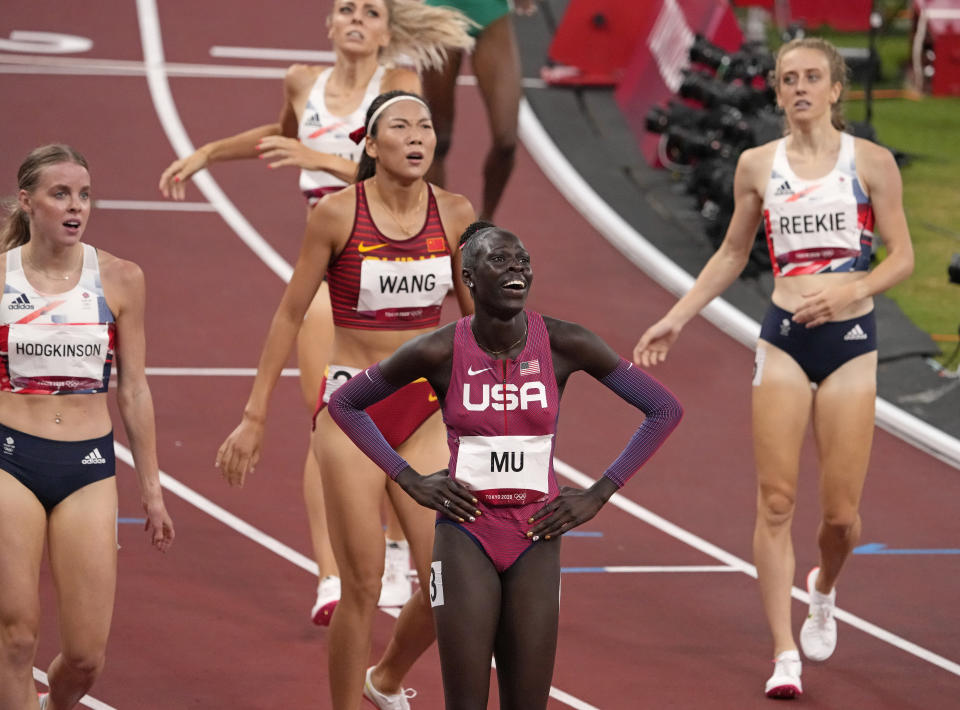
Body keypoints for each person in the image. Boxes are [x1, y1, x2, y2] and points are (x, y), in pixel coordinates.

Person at [158, 0, 474, 622]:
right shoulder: (303, 81)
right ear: (328, 25)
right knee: (327, 413)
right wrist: (210, 152)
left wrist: (326, 162)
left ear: (388, 32)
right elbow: (281, 137)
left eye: (372, 12)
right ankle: (331, 575)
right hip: (332, 260)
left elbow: (397, 165)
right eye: (346, 9)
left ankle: (394, 540)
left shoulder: (398, 86)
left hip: (396, 253)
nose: (357, 19)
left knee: (408, 402)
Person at [633, 37, 914, 699]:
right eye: (789, 79)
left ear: (835, 89)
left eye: (813, 77)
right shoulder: (758, 165)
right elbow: (733, 253)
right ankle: (784, 651)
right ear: (779, 90)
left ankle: (823, 587)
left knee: (841, 517)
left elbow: (901, 256)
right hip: (784, 338)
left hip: (850, 340)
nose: (799, 88)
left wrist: (853, 288)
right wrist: (679, 314)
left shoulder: (869, 162)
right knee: (778, 500)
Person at [328, 222, 683, 709]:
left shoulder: (565, 342)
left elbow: (664, 409)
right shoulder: (440, 349)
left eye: (524, 260)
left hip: (537, 535)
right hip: (465, 536)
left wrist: (600, 492)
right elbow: (345, 403)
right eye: (500, 260)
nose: (517, 267)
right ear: (468, 277)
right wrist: (407, 478)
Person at [217, 91, 476, 709]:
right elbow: (287, 315)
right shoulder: (336, 216)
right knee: (360, 585)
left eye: (426, 127)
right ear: (370, 143)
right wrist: (254, 415)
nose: (417, 136)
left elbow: (477, 322)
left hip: (427, 411)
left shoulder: (458, 213)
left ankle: (384, 681)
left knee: (452, 580)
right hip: (355, 409)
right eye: (400, 126)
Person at [0, 144, 175, 710]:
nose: (76, 207)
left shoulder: (121, 279)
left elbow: (134, 387)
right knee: (16, 638)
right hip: (9, 458)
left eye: (84, 195)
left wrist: (152, 489)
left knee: (84, 657)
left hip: (87, 467)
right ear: (28, 203)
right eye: (60, 194)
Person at [422, 0, 538, 220]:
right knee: (438, 139)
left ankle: (484, 222)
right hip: (439, 10)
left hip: (489, 10)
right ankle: (435, 228)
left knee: (506, 140)